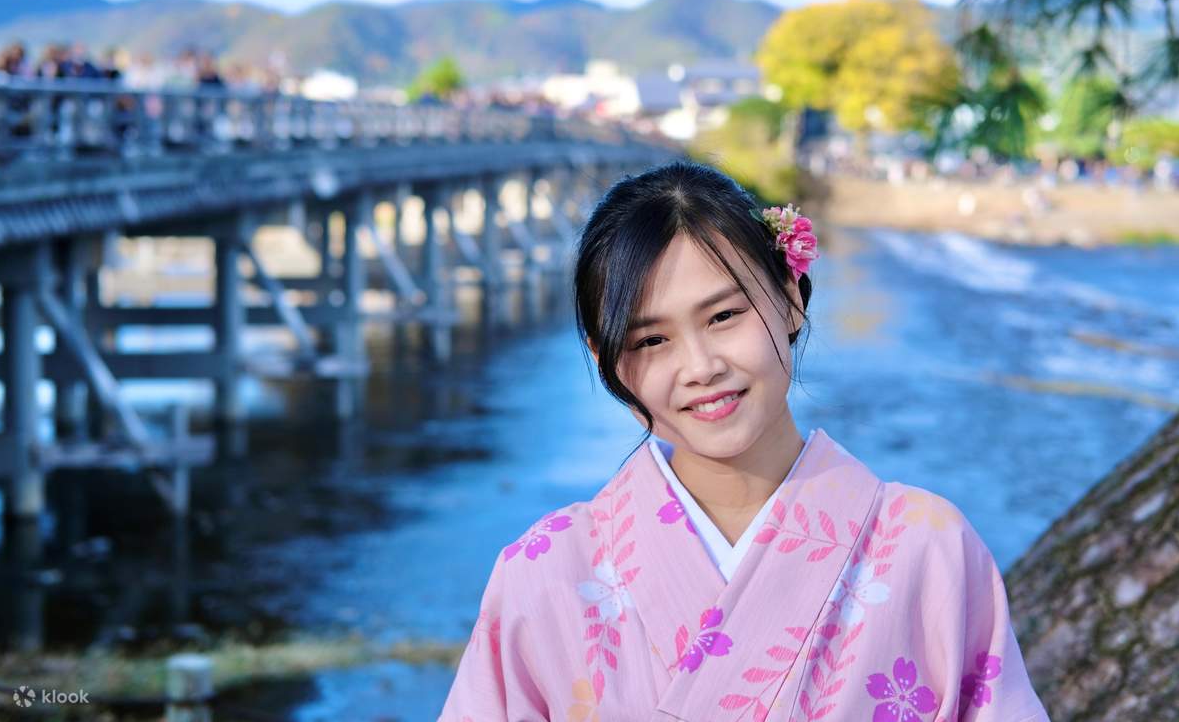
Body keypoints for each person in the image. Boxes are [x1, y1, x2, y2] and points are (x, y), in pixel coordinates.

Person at [438, 160, 1051, 722]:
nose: (700, 366)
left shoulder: (928, 548)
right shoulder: (545, 574)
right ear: (609, 364)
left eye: (723, 317)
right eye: (652, 341)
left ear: (788, 299)